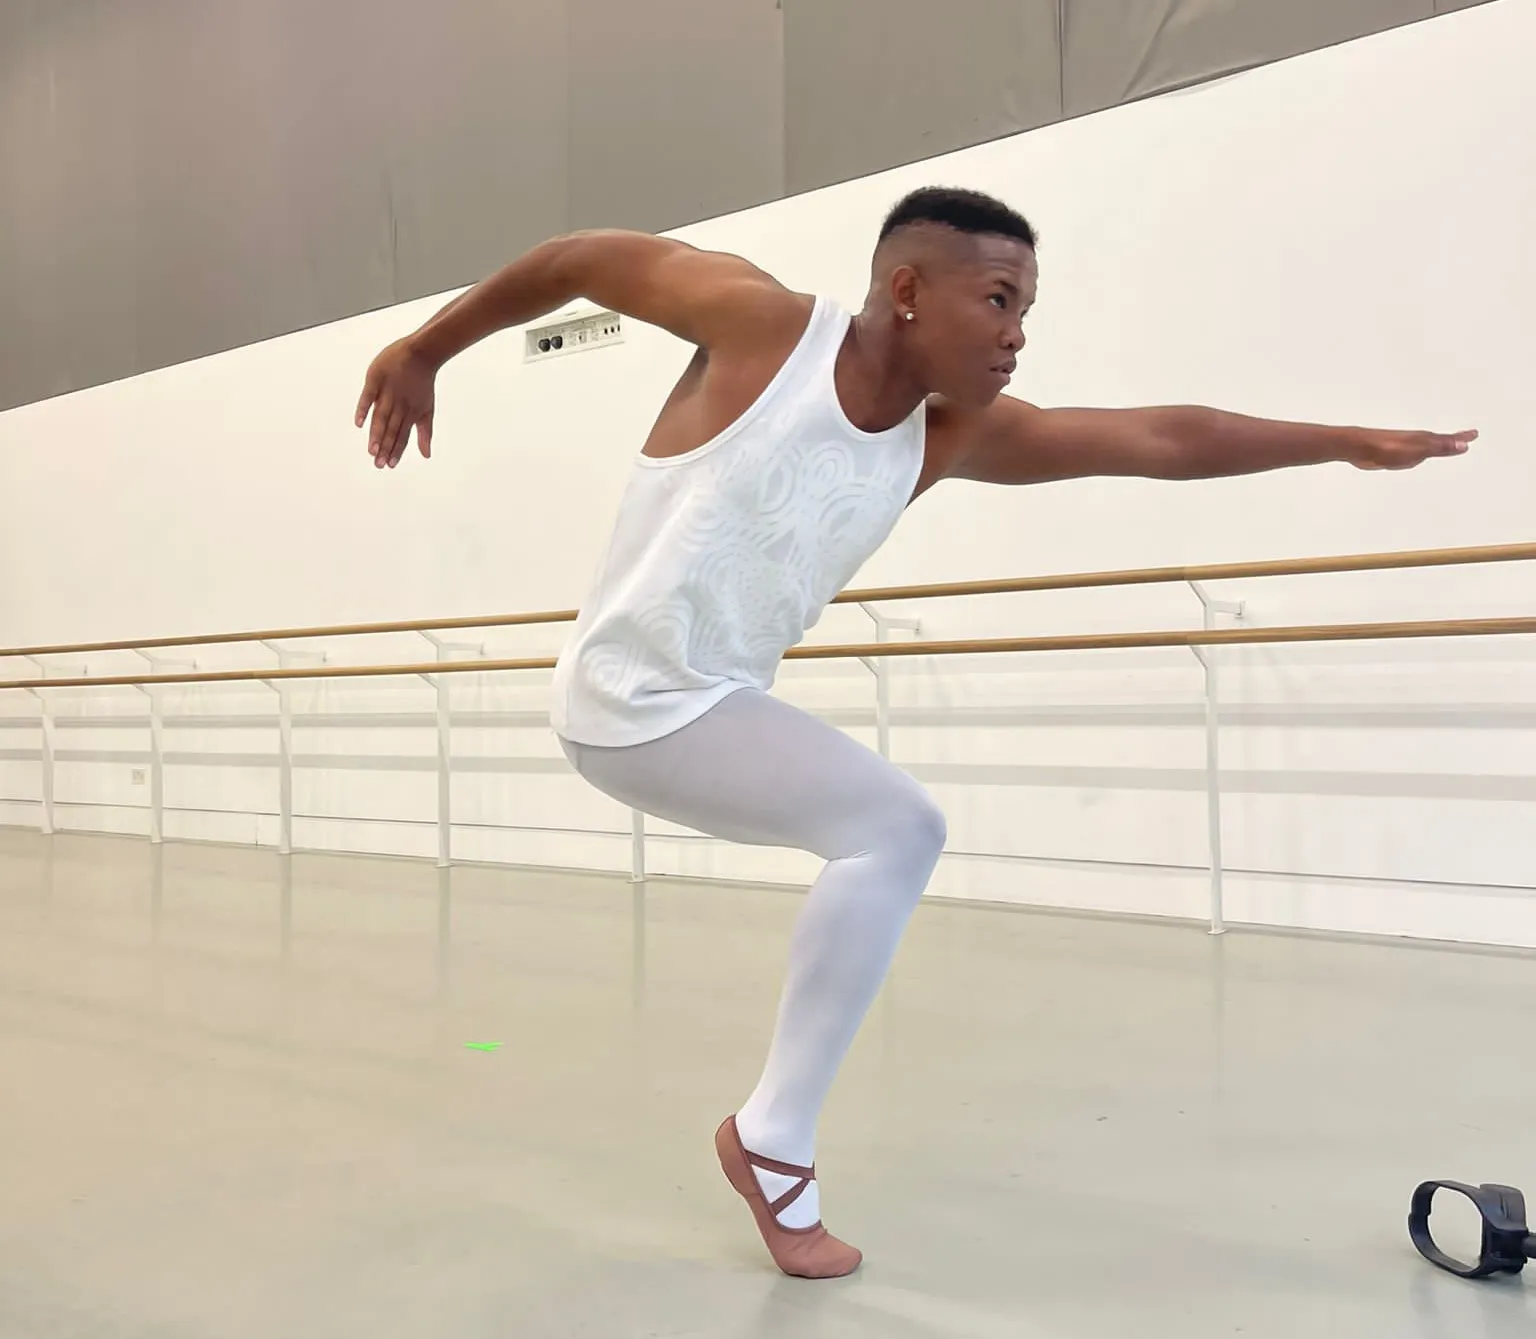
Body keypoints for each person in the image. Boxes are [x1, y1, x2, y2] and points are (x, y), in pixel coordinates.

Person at [354, 186, 1475, 1278]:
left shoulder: (948, 435)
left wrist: (1336, 440)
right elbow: (577, 260)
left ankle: (771, 1137)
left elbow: (1158, 436)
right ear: (905, 289)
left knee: (894, 830)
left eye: (1026, 311)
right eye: (998, 301)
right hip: (623, 702)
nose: (1017, 336)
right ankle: (773, 1141)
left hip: (710, 703)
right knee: (896, 828)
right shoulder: (758, 325)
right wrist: (424, 347)